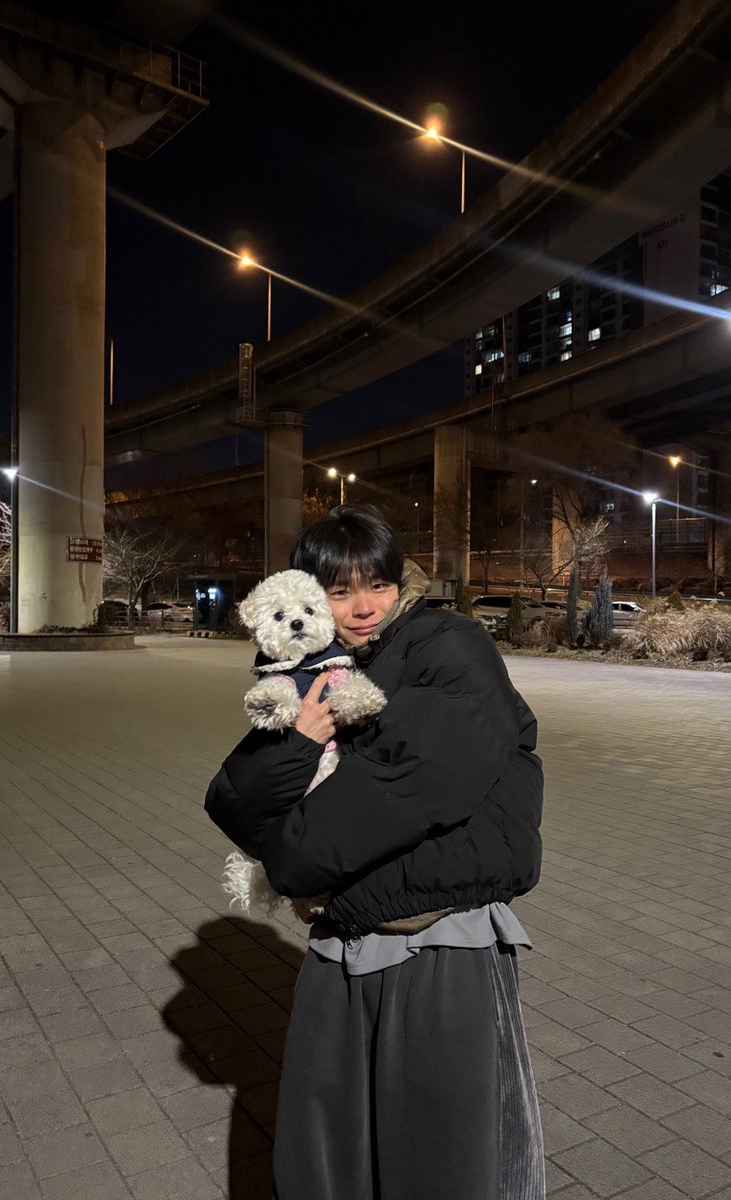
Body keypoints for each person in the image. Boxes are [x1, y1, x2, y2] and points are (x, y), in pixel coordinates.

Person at [205, 505, 545, 1200]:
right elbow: (232, 800)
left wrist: (291, 862)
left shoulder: (448, 645)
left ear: (401, 582)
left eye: (378, 585)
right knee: (333, 1150)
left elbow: (413, 783)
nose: (363, 607)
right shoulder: (306, 666)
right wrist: (302, 740)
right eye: (339, 591)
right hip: (344, 939)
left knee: (443, 1152)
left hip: (438, 940)